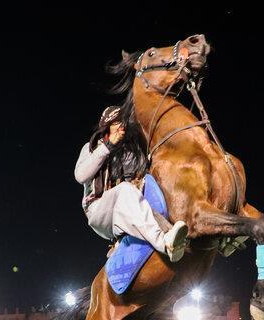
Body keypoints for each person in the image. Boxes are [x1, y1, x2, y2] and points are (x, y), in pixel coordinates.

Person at [75, 106, 189, 260]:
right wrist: (108, 147)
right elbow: (81, 176)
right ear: (107, 126)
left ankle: (213, 239)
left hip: (126, 206)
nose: (121, 126)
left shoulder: (132, 150)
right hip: (98, 210)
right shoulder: (92, 147)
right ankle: (164, 243)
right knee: (125, 189)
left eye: (123, 122)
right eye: (116, 123)